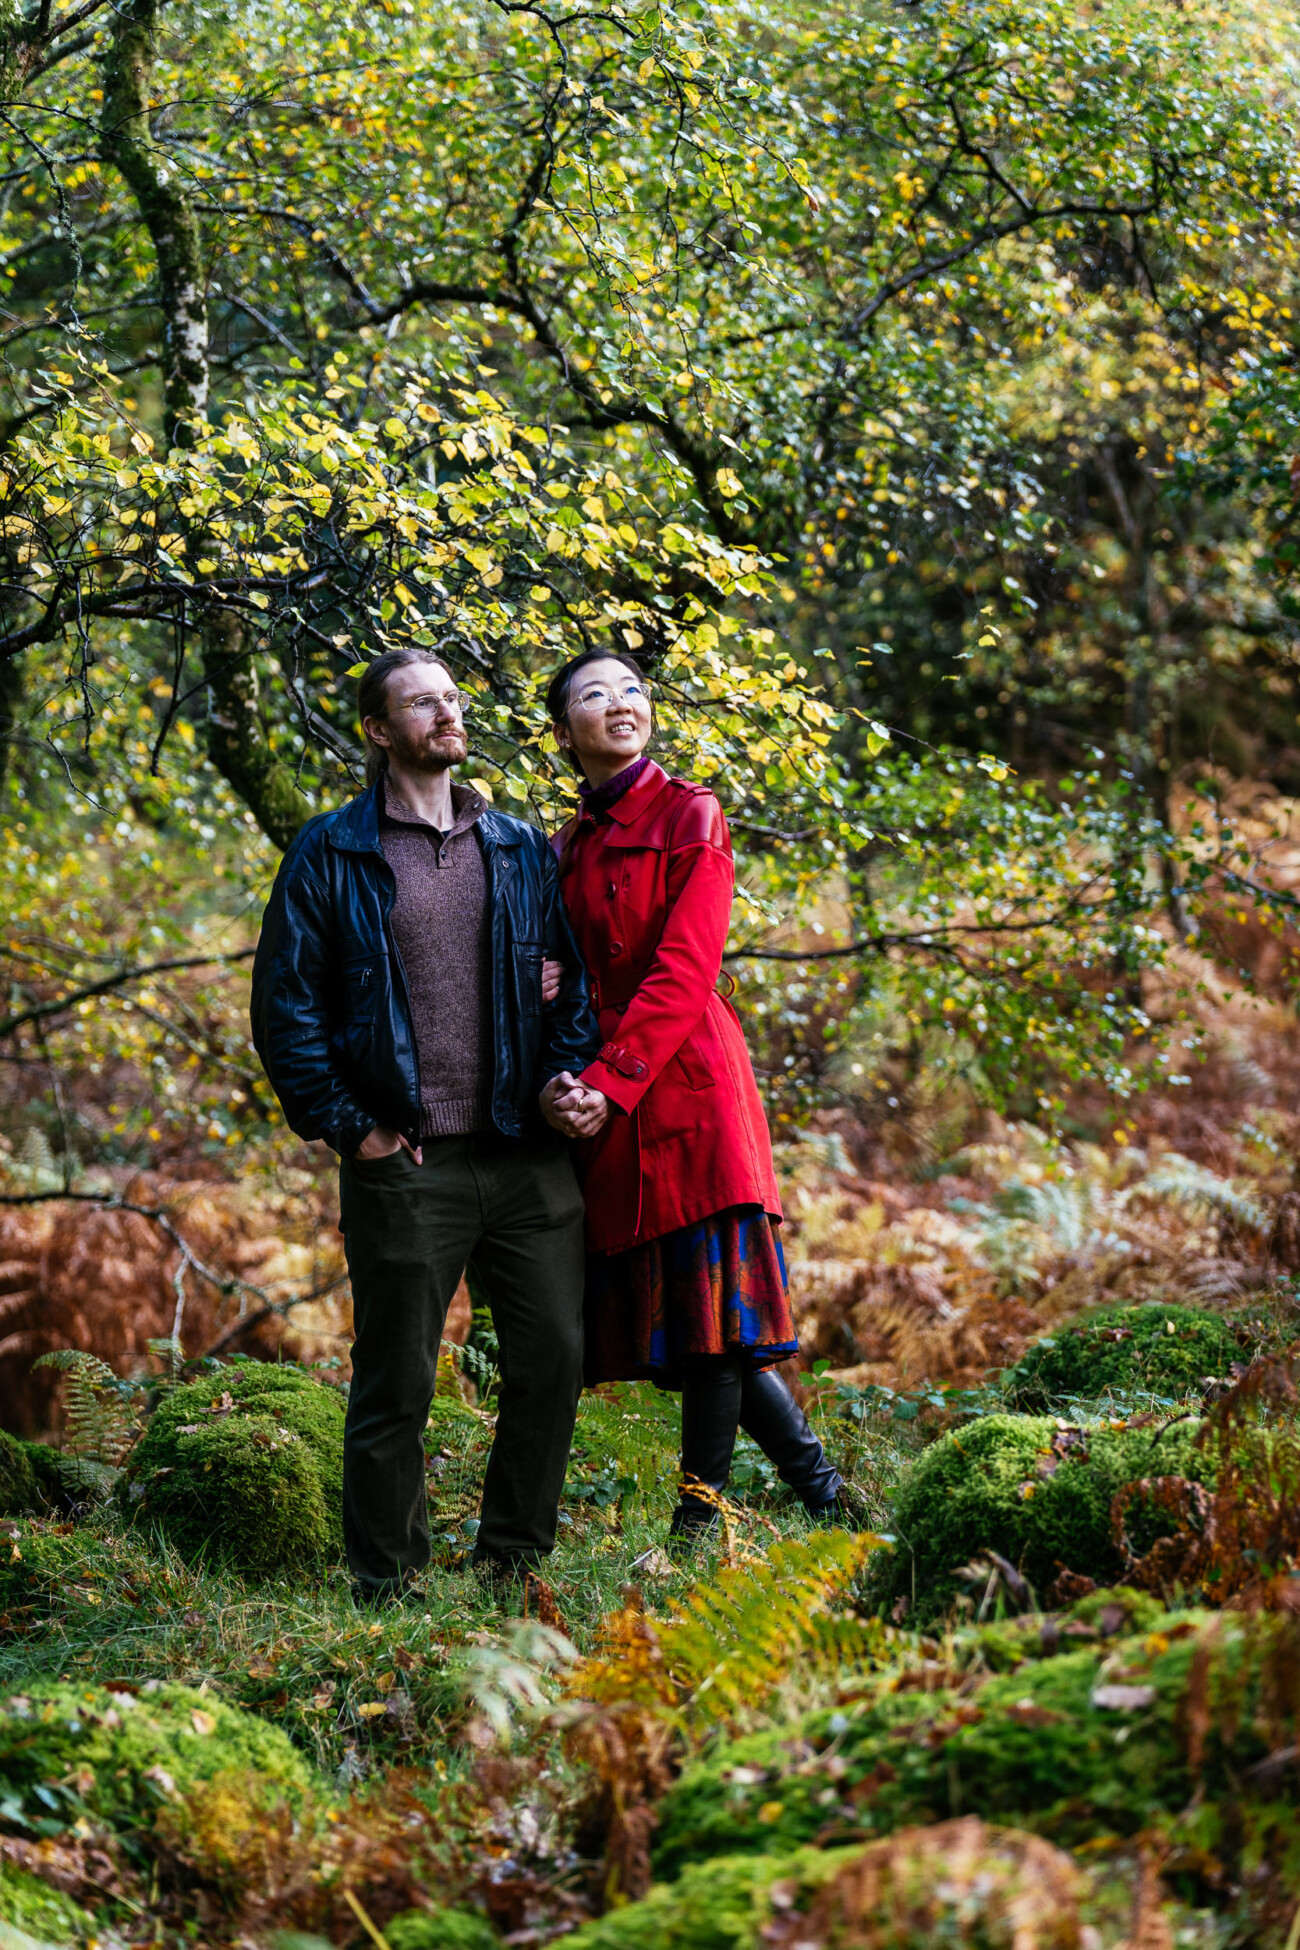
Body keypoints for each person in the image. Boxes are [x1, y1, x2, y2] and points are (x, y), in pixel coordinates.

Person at [250, 647, 599, 1606]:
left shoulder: (518, 846)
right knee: (396, 1382)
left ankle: (512, 1566)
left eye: (451, 698)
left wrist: (562, 1076)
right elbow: (287, 1008)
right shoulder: (332, 851)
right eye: (421, 704)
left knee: (551, 1361)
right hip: (405, 1158)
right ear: (377, 729)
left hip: (524, 1152)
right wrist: (349, 1126)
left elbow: (572, 994)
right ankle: (387, 1585)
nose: (447, 714)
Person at [542, 649, 861, 1542]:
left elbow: (685, 968)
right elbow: (559, 965)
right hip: (608, 1092)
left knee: (715, 1318)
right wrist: (553, 1013)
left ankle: (696, 1526)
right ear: (564, 731)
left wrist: (608, 1081)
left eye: (633, 689)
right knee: (695, 1320)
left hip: (686, 1081)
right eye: (595, 694)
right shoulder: (563, 845)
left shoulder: (691, 813)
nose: (621, 704)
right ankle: (828, 1497)